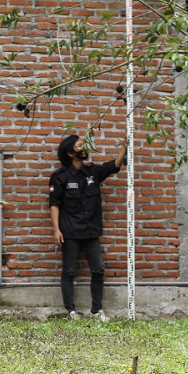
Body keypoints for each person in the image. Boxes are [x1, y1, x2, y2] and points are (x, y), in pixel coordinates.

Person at [48, 134, 127, 321]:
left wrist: (125, 146)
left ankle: (96, 310)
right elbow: (54, 203)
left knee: (98, 269)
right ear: (71, 153)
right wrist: (56, 229)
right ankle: (71, 311)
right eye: (80, 145)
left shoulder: (93, 172)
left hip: (91, 232)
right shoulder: (60, 177)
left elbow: (115, 165)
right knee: (68, 271)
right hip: (70, 232)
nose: (85, 148)